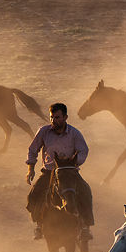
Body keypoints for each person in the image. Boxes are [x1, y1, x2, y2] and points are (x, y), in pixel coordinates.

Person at [25, 102, 94, 240]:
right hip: (49, 171)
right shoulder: (44, 131)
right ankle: (39, 225)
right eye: (51, 117)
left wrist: (73, 161)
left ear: (65, 117)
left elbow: (83, 150)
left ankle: (85, 227)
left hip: (69, 171)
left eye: (57, 117)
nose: (53, 121)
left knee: (85, 191)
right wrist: (30, 169)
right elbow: (33, 150)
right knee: (33, 194)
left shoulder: (74, 133)